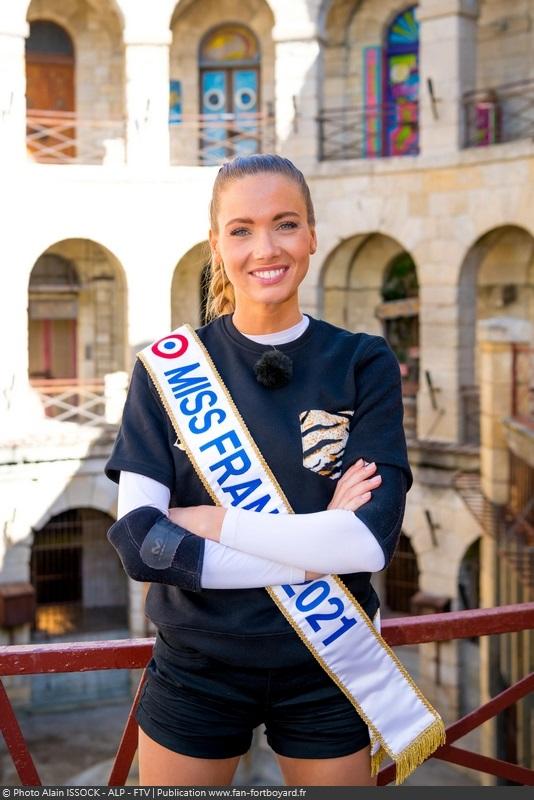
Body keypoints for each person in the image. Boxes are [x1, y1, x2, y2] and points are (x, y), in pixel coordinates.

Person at [105, 154, 413, 787]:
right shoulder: (166, 369)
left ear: (312, 235)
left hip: (327, 667)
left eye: (285, 224)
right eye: (241, 229)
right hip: (197, 666)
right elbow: (143, 545)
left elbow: (366, 542)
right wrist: (315, 542)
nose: (265, 248)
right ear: (216, 244)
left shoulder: (363, 361)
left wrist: (216, 521)